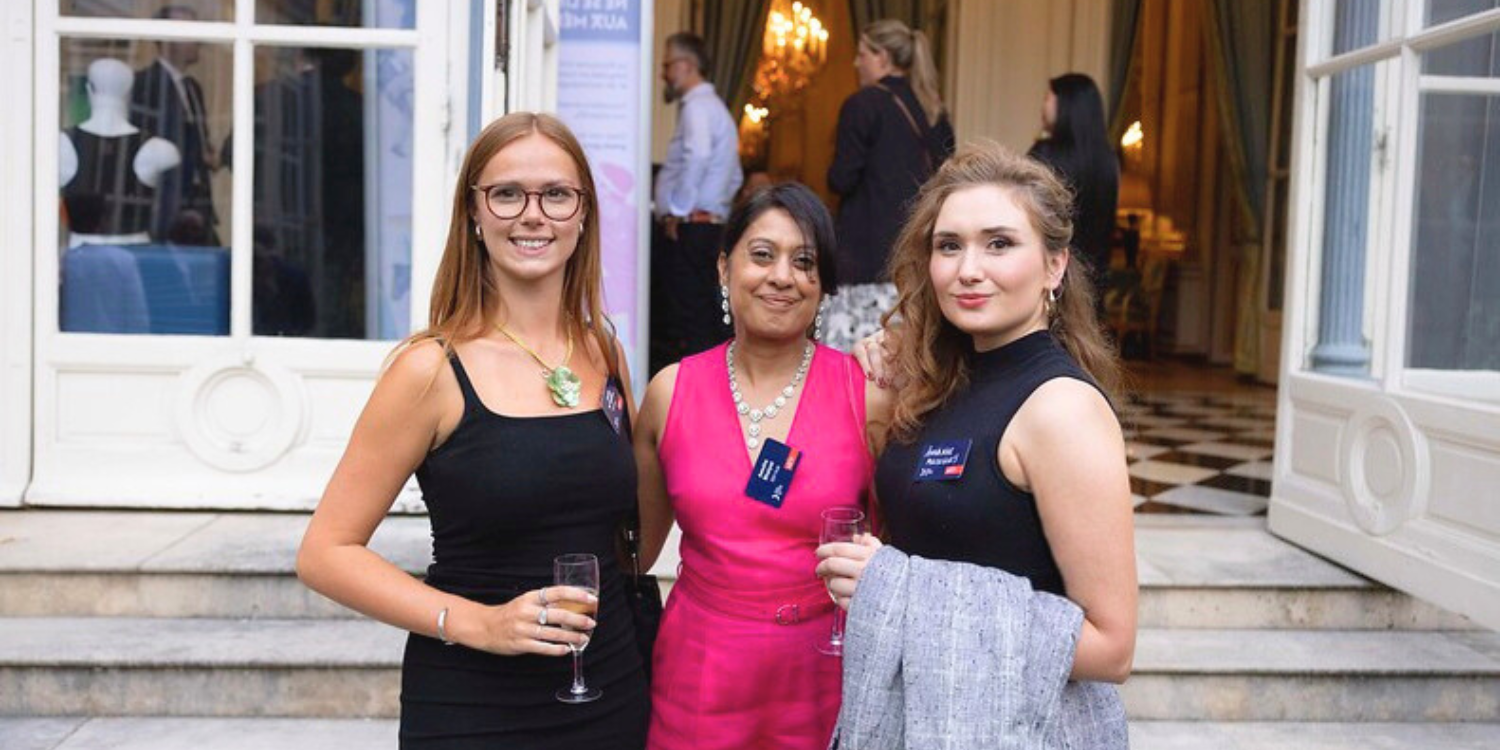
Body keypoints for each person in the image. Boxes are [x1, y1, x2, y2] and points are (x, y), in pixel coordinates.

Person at [297, 112, 649, 749]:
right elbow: (325, 553)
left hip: (609, 693)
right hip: (474, 706)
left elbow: (627, 537)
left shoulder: (604, 353)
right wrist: (482, 624)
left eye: (557, 194)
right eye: (507, 193)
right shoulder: (429, 368)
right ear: (474, 215)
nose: (533, 215)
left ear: (584, 215)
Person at [819, 143, 1137, 727]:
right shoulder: (940, 380)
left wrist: (896, 589)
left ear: (1055, 266)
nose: (968, 269)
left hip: (1016, 727)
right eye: (949, 246)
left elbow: (1111, 647)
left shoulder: (1061, 409)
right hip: (925, 717)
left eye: (999, 243)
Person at [634, 183, 886, 750]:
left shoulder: (865, 394)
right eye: (762, 255)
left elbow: (896, 550)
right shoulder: (670, 392)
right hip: (698, 676)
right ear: (725, 267)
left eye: (805, 262)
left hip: (825, 674)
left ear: (822, 287)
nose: (783, 276)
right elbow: (637, 552)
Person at [824, 18, 956, 352]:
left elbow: (842, 178)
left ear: (882, 57)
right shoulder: (932, 109)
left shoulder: (862, 104)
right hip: (915, 257)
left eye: (862, 54)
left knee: (856, 364)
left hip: (866, 259)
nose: (857, 63)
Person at [651, 32, 743, 370]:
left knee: (689, 324)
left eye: (667, 65)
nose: (664, 74)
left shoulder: (698, 108)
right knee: (706, 319)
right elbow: (734, 176)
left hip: (691, 228)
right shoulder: (716, 109)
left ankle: (695, 397)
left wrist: (679, 211)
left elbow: (698, 156)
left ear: (686, 66)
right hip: (707, 225)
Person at [131, 4, 221, 245]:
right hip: (164, 207)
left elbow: (198, 139)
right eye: (189, 32)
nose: (198, 40)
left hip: (198, 207)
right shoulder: (144, 85)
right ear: (168, 38)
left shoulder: (193, 89)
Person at [1028, 73, 1120, 302]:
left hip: (1051, 273)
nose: (1043, 106)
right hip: (1092, 278)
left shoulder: (1045, 155)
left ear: (1065, 105)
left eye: (1048, 98)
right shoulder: (1108, 160)